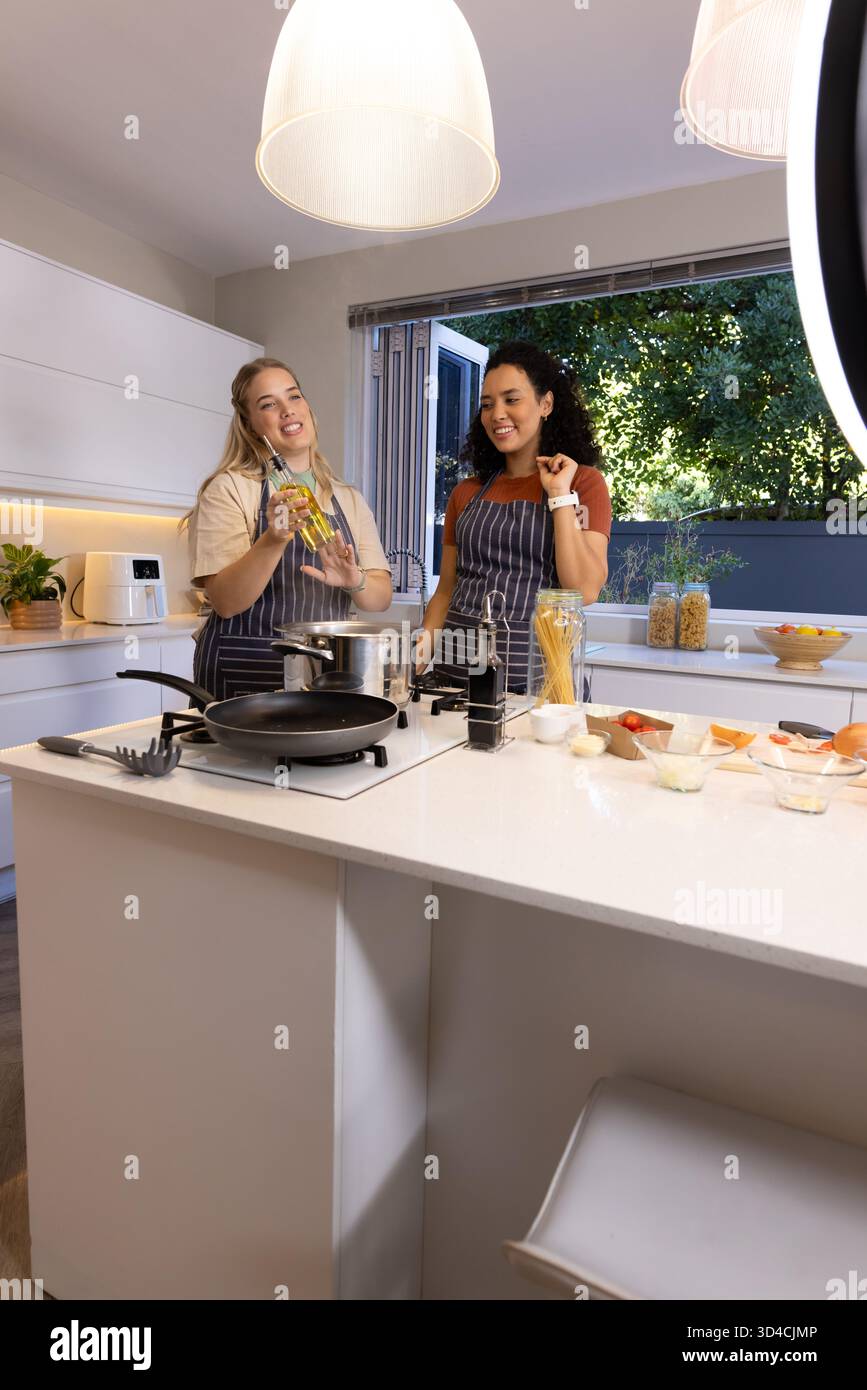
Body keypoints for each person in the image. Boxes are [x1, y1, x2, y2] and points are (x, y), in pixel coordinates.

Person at [184, 357, 392, 700]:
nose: (287, 410)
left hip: (320, 676)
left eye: (294, 397)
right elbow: (225, 602)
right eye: (268, 404)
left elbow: (380, 597)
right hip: (242, 675)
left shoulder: (347, 498)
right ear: (251, 425)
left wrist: (355, 580)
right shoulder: (230, 489)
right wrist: (274, 538)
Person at [418, 340, 611, 691]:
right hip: (452, 685)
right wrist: (416, 655)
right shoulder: (467, 493)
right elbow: (446, 591)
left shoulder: (583, 484)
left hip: (538, 692)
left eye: (512, 399)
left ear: (546, 403)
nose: (497, 414)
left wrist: (558, 495)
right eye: (487, 405)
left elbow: (582, 590)